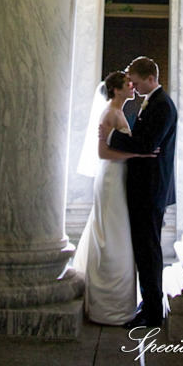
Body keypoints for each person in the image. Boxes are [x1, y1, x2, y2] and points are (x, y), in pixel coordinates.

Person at [99, 56, 177, 328]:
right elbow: (143, 144)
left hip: (151, 188)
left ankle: (153, 313)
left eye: (136, 80)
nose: (133, 84)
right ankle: (150, 301)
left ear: (150, 79)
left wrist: (110, 137)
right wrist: (137, 145)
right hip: (146, 187)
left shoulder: (162, 106)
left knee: (149, 250)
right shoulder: (152, 102)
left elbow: (146, 144)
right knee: (145, 249)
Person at [74, 70, 156, 325]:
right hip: (110, 177)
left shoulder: (120, 112)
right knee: (111, 231)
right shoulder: (109, 113)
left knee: (119, 232)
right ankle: (106, 304)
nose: (132, 87)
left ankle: (120, 301)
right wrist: (138, 156)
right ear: (116, 90)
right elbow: (103, 153)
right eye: (128, 84)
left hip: (119, 177)